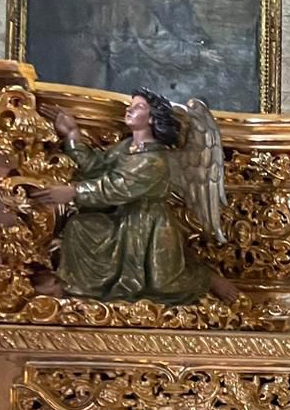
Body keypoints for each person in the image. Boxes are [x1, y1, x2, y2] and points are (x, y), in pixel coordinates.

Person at [31, 91, 235, 304]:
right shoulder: (126, 147)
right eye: (131, 105)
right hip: (122, 218)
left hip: (147, 226)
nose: (129, 109)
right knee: (80, 227)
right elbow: (97, 167)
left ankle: (206, 279)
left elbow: (117, 187)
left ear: (152, 118)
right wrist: (73, 135)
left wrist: (74, 191)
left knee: (162, 284)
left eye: (138, 107)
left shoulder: (155, 159)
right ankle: (75, 286)